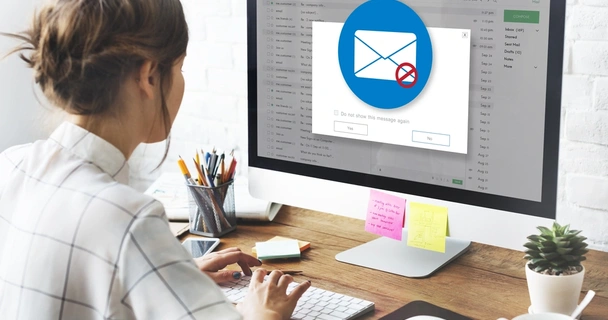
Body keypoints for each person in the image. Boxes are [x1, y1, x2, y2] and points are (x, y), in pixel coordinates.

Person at [0, 0, 310, 319]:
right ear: (148, 76)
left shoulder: (10, 165)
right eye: (180, 68)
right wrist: (265, 313)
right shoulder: (128, 218)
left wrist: (167, 274)